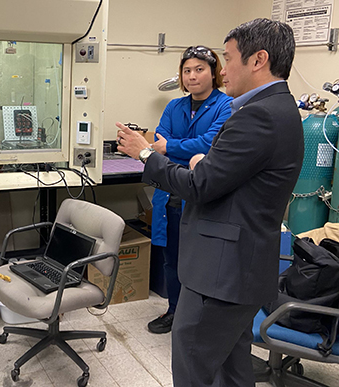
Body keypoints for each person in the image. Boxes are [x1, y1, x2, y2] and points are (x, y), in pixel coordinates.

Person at [116, 18, 303, 386]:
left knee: (192, 367)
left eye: (228, 58)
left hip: (222, 275)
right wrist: (202, 161)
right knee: (232, 369)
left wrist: (145, 155)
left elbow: (200, 185)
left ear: (258, 60)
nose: (222, 69)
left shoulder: (257, 116)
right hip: (242, 270)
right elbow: (220, 172)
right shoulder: (279, 108)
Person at [147, 46, 232, 334]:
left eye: (199, 69)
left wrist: (171, 147)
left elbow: (211, 144)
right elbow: (158, 141)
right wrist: (173, 149)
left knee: (202, 262)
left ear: (214, 72)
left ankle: (197, 318)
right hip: (171, 196)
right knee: (173, 259)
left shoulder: (226, 105)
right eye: (187, 70)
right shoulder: (174, 107)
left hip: (203, 198)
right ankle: (174, 310)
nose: (192, 76)